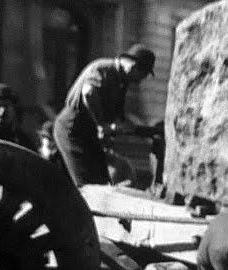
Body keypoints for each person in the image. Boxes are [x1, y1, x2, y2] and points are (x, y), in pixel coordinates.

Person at [53, 44, 156, 186]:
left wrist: (134, 129)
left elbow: (118, 117)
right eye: (142, 75)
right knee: (87, 184)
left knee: (101, 181)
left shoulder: (121, 81)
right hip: (72, 129)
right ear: (133, 66)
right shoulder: (103, 69)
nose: (140, 81)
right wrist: (101, 125)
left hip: (89, 133)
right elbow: (88, 93)